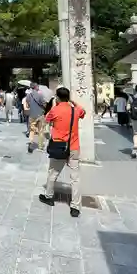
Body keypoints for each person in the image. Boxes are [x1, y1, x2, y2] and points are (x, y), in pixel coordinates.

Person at [39, 87, 85, 217]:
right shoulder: (75, 110)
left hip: (59, 147)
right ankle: (75, 206)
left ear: (57, 97)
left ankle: (48, 196)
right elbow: (83, 112)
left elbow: (46, 119)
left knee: (53, 173)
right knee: (75, 178)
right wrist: (73, 102)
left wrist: (55, 104)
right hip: (74, 147)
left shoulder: (55, 110)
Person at [26, 83, 46, 153]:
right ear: (36, 87)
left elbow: (28, 104)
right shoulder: (40, 95)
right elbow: (44, 104)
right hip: (40, 114)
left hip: (32, 115)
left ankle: (31, 143)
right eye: (38, 86)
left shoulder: (28, 95)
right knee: (41, 130)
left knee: (32, 130)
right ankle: (40, 146)